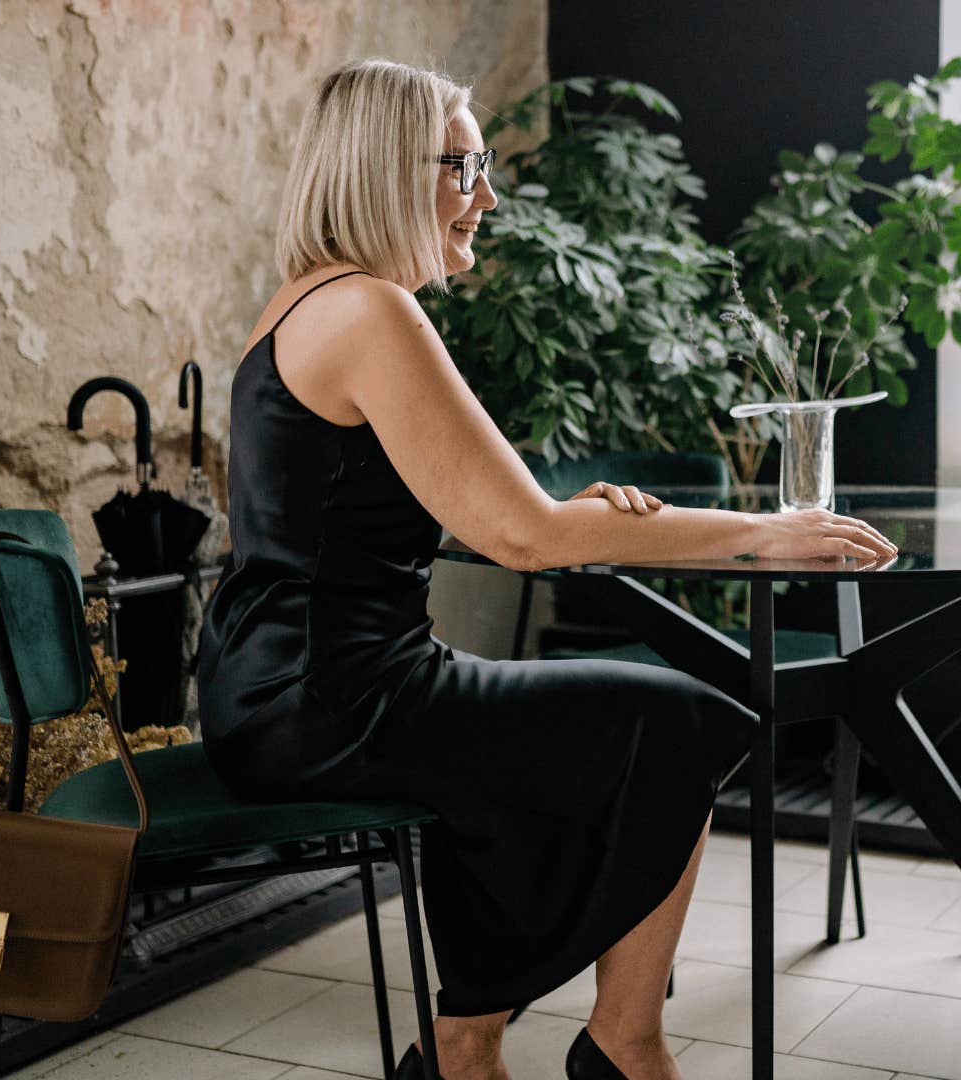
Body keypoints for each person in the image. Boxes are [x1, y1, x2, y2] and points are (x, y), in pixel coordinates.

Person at [197, 59, 897, 1080]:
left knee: (569, 736)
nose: (486, 196)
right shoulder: (371, 313)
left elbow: (448, 515)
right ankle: (619, 1045)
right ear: (385, 169)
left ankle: (470, 1045)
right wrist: (759, 534)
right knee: (677, 722)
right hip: (334, 699)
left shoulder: (310, 303)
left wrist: (572, 518)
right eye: (463, 167)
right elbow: (522, 539)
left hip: (283, 688)